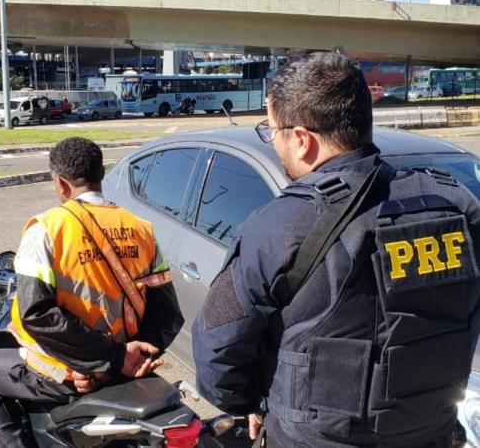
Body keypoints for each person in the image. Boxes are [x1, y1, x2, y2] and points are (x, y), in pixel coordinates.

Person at [192, 52, 480, 448]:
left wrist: (253, 402)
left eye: (270, 130)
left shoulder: (279, 226)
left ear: (302, 140)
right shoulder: (456, 204)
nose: (272, 141)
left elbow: (217, 352)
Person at [0, 137, 184, 448]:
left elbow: (37, 315)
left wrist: (109, 361)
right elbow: (167, 312)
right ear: (101, 174)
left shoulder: (47, 229)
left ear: (60, 183)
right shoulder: (141, 229)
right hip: (125, 364)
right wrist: (133, 359)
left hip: (65, 372)